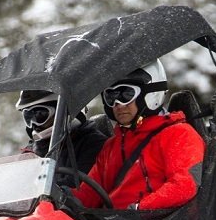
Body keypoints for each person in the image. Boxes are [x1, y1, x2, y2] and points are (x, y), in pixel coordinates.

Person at [74, 59, 205, 210]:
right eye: (111, 96)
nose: (118, 104)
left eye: (126, 94)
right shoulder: (112, 146)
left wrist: (139, 209)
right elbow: (88, 194)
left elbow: (185, 185)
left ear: (150, 94)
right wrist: (57, 198)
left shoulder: (179, 134)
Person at [16, 90, 109, 175]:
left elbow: (77, 186)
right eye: (28, 117)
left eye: (40, 115)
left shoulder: (93, 144)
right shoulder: (32, 150)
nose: (34, 123)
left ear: (65, 112)